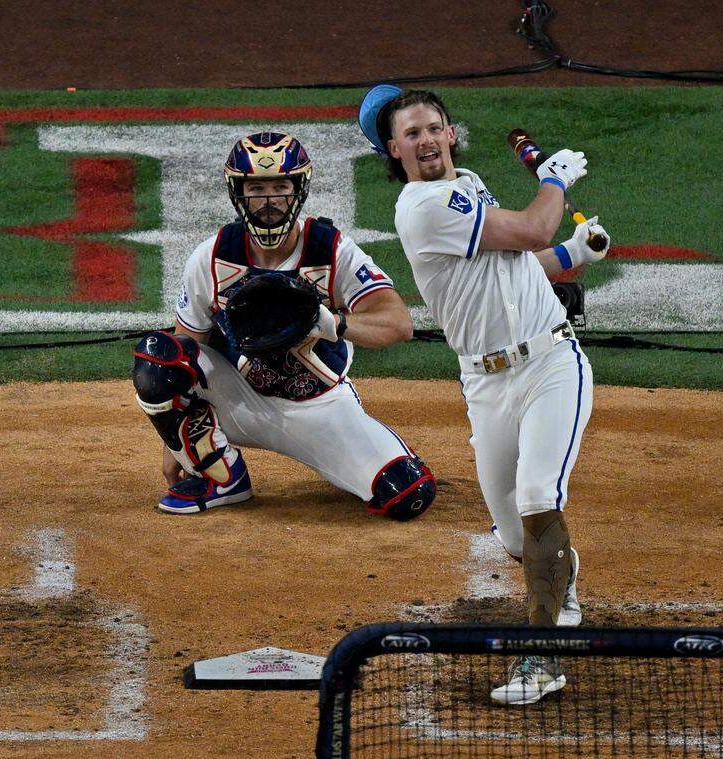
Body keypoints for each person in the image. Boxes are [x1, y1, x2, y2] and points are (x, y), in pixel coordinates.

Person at [359, 87, 610, 704]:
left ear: (450, 134)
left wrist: (574, 252)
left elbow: (515, 262)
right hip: (486, 382)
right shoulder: (422, 207)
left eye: (433, 127)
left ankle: (544, 657)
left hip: (551, 360)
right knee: (513, 533)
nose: (425, 140)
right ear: (394, 150)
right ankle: (561, 581)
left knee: (535, 495)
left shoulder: (467, 182)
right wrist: (552, 182)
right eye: (411, 133)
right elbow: (528, 228)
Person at [131, 131, 435, 522]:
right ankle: (224, 477)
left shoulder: (332, 250)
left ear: (298, 189)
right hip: (241, 399)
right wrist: (175, 446)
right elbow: (186, 345)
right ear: (237, 191)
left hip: (320, 407)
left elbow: (398, 324)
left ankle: (358, 456)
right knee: (160, 357)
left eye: (280, 186)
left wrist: (331, 322)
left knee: (407, 494)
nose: (270, 199)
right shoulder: (210, 257)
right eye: (257, 187)